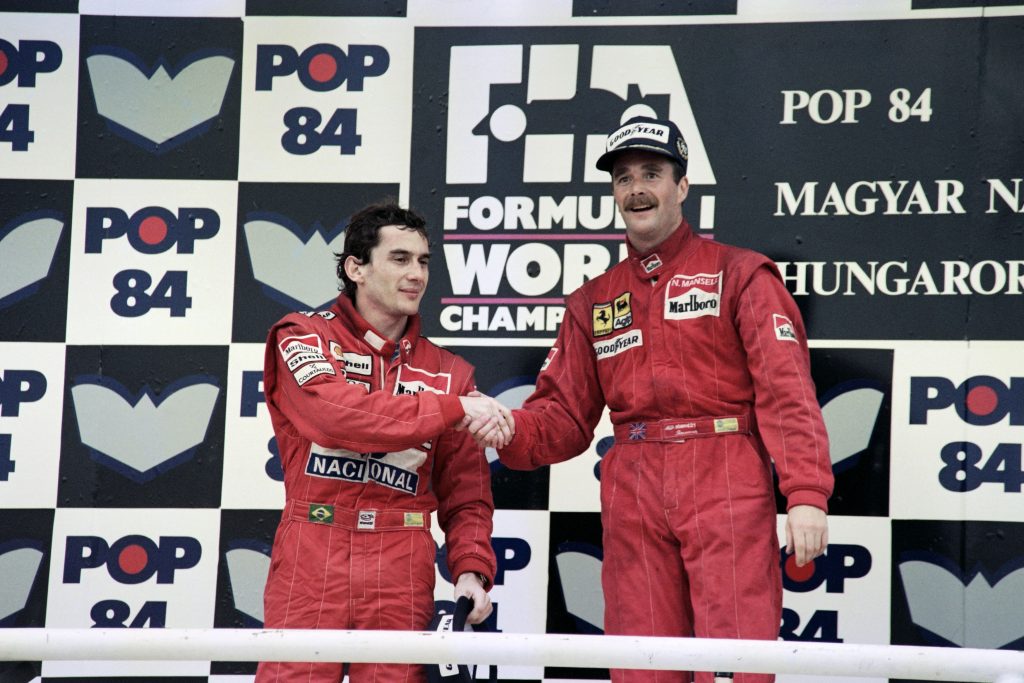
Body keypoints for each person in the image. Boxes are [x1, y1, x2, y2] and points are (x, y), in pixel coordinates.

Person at [491, 117, 834, 683]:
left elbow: (787, 392)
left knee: (737, 661)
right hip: (632, 480)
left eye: (652, 173)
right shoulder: (593, 300)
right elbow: (565, 417)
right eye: (623, 179)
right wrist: (508, 430)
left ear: (683, 186)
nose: (637, 189)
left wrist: (805, 492)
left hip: (724, 469)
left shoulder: (740, 273)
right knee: (640, 662)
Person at [257, 202, 512, 683]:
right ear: (356, 267)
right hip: (313, 548)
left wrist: (472, 570)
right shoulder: (301, 335)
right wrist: (452, 409)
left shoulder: (450, 373)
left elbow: (468, 495)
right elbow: (334, 416)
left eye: (423, 261)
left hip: (402, 555)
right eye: (400, 259)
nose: (416, 274)